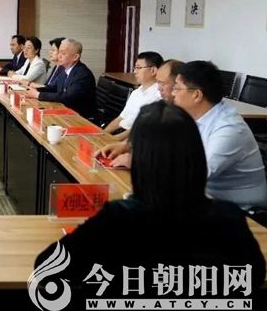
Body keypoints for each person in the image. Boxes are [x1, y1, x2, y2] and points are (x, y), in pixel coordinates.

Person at [34, 102, 266, 308]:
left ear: (139, 159)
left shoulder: (117, 218)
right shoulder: (229, 218)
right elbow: (254, 276)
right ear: (195, 155)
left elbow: (47, 268)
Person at [173, 61, 267, 209]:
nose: (173, 93)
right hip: (206, 196)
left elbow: (196, 174)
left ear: (196, 95)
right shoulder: (194, 116)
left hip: (242, 209)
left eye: (177, 88)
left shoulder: (229, 129)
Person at [96, 58, 185, 168]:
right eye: (158, 83)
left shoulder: (182, 116)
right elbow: (145, 134)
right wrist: (124, 145)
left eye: (162, 83)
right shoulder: (164, 106)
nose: (159, 88)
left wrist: (136, 160)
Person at [25, 38, 96, 118]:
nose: (59, 56)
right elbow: (54, 88)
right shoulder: (64, 69)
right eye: (59, 52)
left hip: (81, 118)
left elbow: (67, 97)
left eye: (63, 53)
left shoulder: (82, 74)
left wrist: (38, 95)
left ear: (75, 57)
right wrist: (35, 90)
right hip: (66, 113)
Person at [103, 52, 163, 140]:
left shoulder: (158, 96)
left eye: (139, 68)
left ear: (153, 70)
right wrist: (103, 134)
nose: (135, 72)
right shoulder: (136, 92)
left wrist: (113, 139)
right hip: (119, 133)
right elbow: (120, 118)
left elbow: (139, 129)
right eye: (135, 68)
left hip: (133, 139)